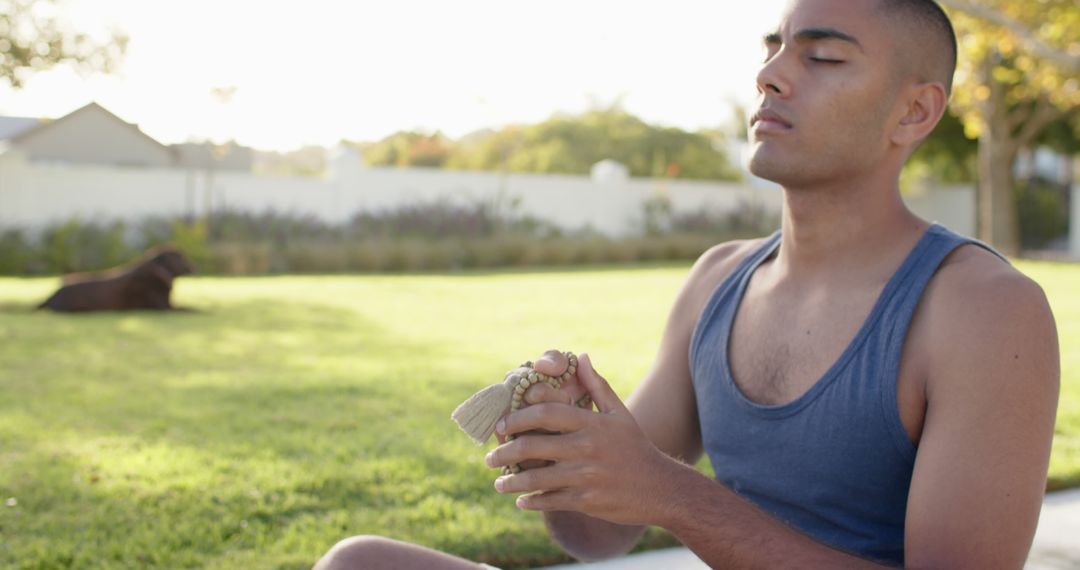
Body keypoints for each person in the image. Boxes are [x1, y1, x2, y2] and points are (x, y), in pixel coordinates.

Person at [314, 0, 1061, 567]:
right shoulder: (720, 280)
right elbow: (597, 536)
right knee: (359, 562)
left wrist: (672, 492)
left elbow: (666, 496)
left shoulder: (983, 311)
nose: (770, 75)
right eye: (772, 50)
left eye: (823, 58)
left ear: (915, 111)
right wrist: (572, 451)